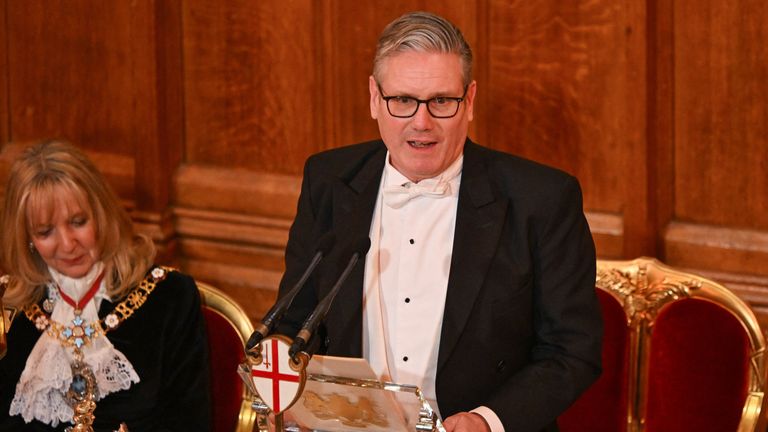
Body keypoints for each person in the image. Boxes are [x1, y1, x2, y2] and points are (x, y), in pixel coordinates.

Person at [271, 11, 603, 432]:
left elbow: (572, 350)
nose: (421, 122)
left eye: (442, 102)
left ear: (470, 100)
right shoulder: (329, 181)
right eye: (403, 101)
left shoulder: (542, 200)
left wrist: (488, 421)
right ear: (375, 98)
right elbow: (293, 321)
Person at [0, 141, 211, 431]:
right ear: (28, 240)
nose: (67, 244)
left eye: (78, 222)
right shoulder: (16, 311)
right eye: (45, 231)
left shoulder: (169, 298)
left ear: (102, 214)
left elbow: (190, 423)